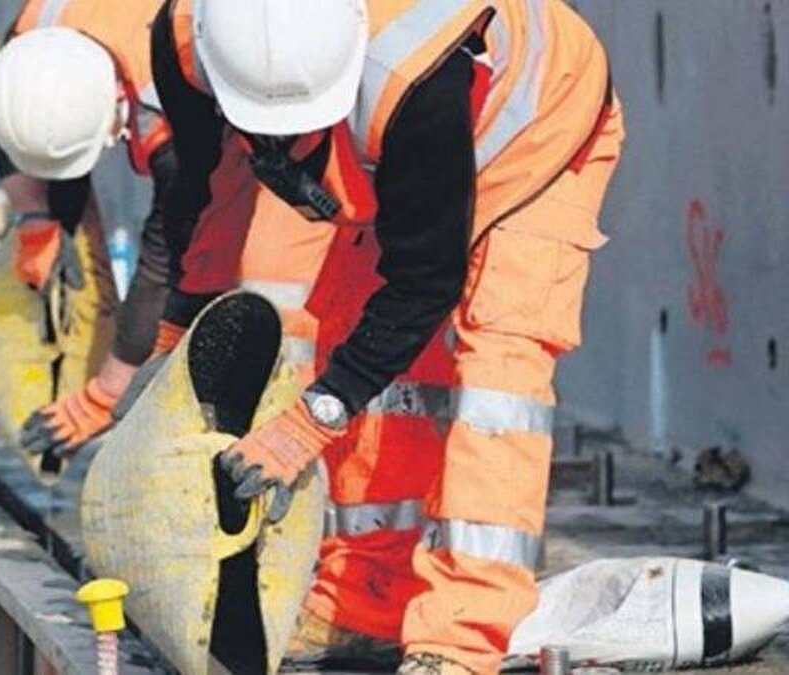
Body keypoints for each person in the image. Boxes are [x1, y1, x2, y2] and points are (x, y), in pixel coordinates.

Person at [150, 0, 625, 672]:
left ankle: (461, 634)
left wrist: (309, 421)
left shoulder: (416, 77)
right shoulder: (189, 42)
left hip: (536, 134)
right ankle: (365, 602)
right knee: (356, 330)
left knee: (498, 377)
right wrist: (172, 337)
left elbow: (426, 282)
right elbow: (201, 194)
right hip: (398, 144)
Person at [0, 0, 333, 460]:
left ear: (116, 110)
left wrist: (105, 395)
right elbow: (16, 129)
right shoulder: (31, 45)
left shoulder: (171, 114)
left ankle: (285, 437)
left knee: (268, 277)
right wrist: (36, 217)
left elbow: (170, 258)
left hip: (292, 96)